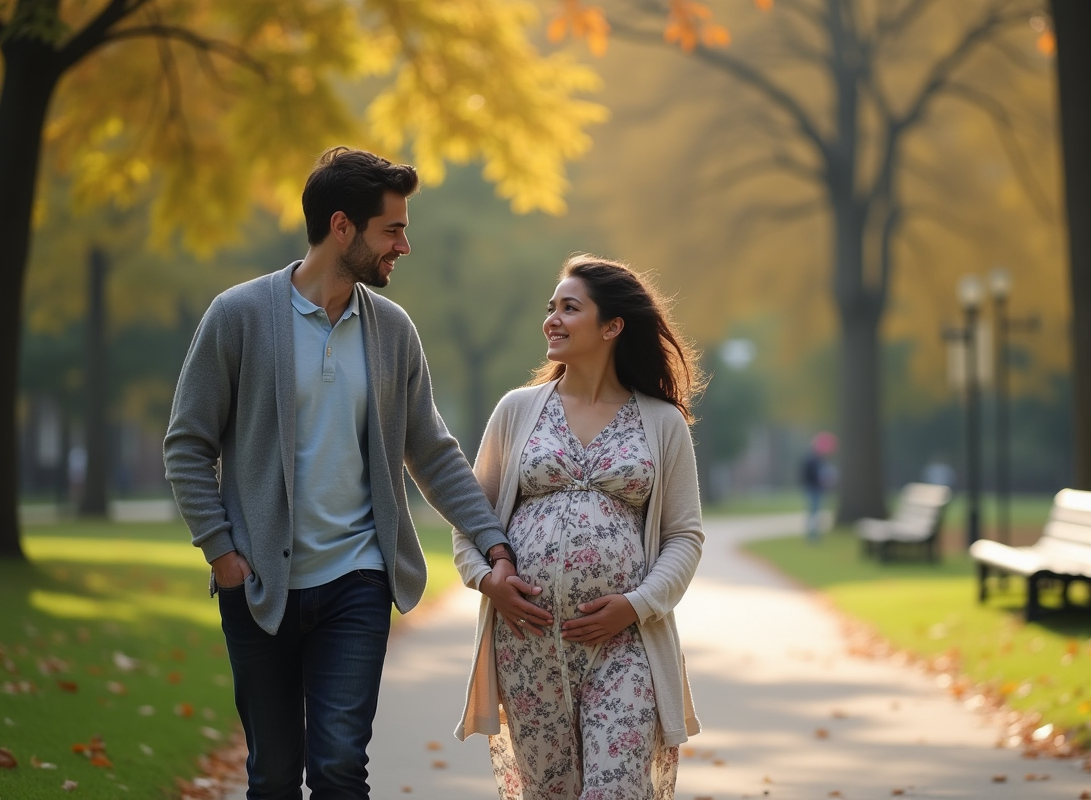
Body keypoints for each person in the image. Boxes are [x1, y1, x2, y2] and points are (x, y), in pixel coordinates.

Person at [163, 146, 550, 800]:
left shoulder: (393, 330)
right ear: (342, 227)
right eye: (392, 230)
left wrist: (495, 543)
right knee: (275, 775)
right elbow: (186, 444)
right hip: (260, 585)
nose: (404, 244)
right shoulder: (239, 316)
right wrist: (222, 552)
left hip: (357, 581)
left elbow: (430, 449)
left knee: (341, 767)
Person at [452, 254, 705, 800]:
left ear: (612, 326)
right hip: (527, 644)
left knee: (614, 791)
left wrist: (635, 605)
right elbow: (471, 517)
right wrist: (487, 579)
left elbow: (685, 535)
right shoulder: (517, 411)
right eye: (551, 308)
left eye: (570, 308)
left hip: (626, 644)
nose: (553, 319)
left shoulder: (662, 423)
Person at [799, 431, 838, 540]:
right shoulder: (812, 459)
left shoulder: (818, 459)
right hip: (812, 488)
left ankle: (814, 534)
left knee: (815, 512)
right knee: (813, 512)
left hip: (816, 489)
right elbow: (808, 474)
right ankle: (812, 535)